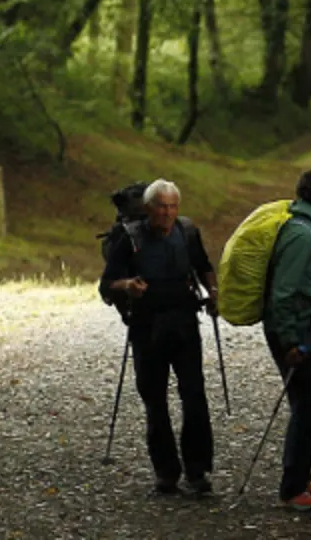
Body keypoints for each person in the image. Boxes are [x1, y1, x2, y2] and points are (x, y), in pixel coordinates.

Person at [98, 178, 217, 496]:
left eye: (172, 206)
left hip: (184, 324)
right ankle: (166, 472)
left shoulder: (187, 232)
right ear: (149, 209)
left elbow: (203, 266)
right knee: (155, 401)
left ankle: (197, 471)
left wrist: (213, 292)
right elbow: (106, 284)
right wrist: (128, 287)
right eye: (161, 207)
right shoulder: (129, 238)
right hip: (146, 328)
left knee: (194, 397)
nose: (167, 213)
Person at [264, 168, 311, 511]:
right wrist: (290, 342)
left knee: (310, 404)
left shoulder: (307, 229)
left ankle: (301, 478)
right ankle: (292, 488)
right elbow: (283, 293)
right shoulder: (302, 235)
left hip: (305, 330)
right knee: (308, 406)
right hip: (297, 333)